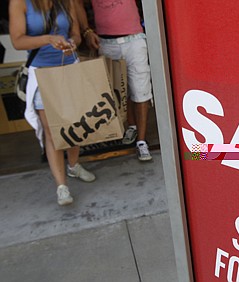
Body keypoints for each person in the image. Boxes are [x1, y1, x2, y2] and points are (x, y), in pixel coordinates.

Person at [9, 0, 96, 206]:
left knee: (74, 123)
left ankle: (74, 165)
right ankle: (61, 186)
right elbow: (17, 41)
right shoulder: (20, 2)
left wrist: (72, 43)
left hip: (69, 67)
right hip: (42, 74)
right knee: (52, 131)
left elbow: (75, 33)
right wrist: (47, 39)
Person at [76, 0, 153, 162]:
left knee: (140, 90)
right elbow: (76, 3)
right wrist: (86, 30)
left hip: (134, 38)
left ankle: (141, 140)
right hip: (105, 41)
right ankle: (131, 127)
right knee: (118, 91)